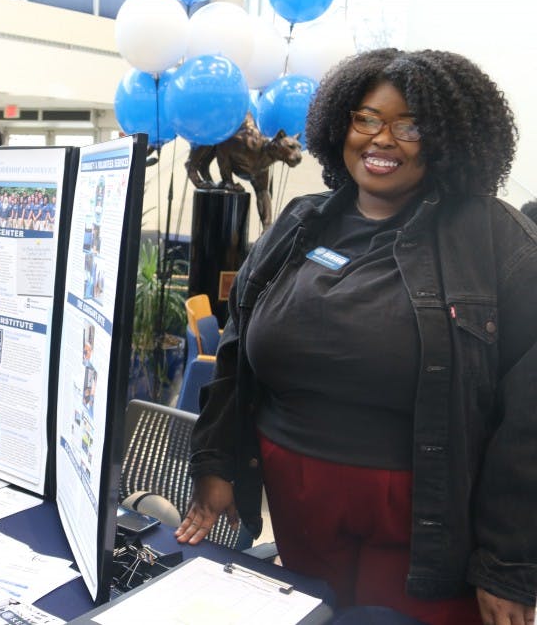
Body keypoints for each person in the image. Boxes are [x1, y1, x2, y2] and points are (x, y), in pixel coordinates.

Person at [175, 48, 537, 624]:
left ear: (448, 137)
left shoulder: (497, 243)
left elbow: (529, 423)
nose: (381, 139)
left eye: (409, 125)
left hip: (429, 522)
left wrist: (510, 565)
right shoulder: (298, 222)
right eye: (366, 118)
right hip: (297, 503)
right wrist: (218, 461)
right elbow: (237, 355)